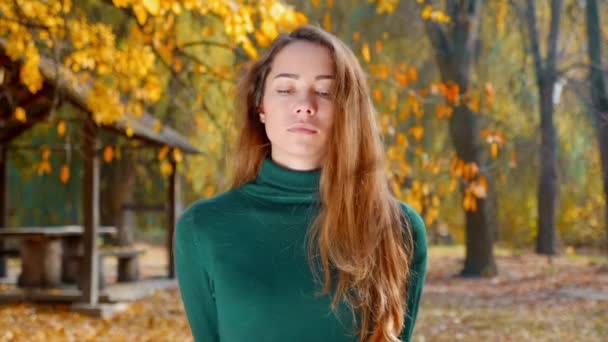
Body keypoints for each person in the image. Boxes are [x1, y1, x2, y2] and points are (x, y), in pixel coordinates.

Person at [175, 25, 427, 342]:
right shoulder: (203, 229)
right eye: (285, 89)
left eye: (325, 92)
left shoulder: (397, 228)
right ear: (261, 107)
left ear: (348, 110)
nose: (305, 105)